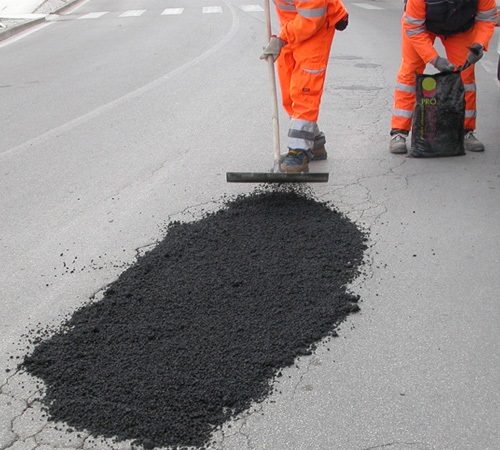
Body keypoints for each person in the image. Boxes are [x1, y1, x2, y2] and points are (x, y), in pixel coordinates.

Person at [389, 0, 498, 154]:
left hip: (460, 29)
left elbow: (487, 18)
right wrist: (434, 59)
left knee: (465, 77)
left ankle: (466, 131)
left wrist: (479, 44)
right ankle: (399, 133)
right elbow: (413, 27)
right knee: (410, 74)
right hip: (421, 28)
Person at [260, 0, 349, 173]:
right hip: (294, 24)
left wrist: (283, 37)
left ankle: (299, 151)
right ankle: (314, 142)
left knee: (304, 89)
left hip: (318, 23)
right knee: (288, 89)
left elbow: (312, 19)